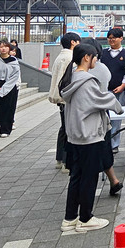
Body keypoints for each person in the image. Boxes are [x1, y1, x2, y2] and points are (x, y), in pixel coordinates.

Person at [60, 44, 124, 233]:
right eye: (95, 56)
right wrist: (117, 106)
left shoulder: (72, 78)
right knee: (89, 178)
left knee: (76, 177)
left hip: (75, 136)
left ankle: (70, 218)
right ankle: (85, 218)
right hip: (89, 135)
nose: (96, 59)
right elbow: (102, 100)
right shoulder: (87, 80)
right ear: (86, 57)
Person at [81, 37, 124, 196]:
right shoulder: (104, 69)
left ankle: (89, 188)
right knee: (104, 147)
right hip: (102, 113)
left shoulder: (80, 71)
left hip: (86, 115)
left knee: (89, 151)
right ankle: (113, 180)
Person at [100, 27, 125, 153]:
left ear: (121, 38)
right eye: (109, 38)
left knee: (116, 118)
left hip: (120, 90)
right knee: (104, 117)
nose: (111, 40)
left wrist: (123, 85)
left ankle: (114, 145)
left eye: (114, 38)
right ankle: (104, 143)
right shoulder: (103, 53)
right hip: (105, 91)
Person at [48, 32, 81, 168]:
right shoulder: (71, 57)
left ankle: (59, 158)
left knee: (64, 128)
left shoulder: (60, 56)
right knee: (69, 129)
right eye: (78, 42)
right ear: (73, 42)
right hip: (67, 97)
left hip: (60, 97)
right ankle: (66, 162)